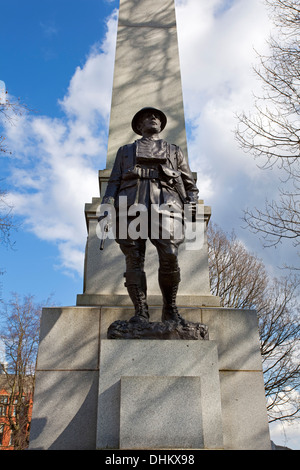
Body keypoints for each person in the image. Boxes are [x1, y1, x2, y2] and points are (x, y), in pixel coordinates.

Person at [100, 107, 198, 324]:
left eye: (156, 117)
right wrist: (106, 208)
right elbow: (114, 181)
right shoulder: (125, 151)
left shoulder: (174, 151)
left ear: (161, 125)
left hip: (167, 203)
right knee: (133, 259)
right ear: (139, 126)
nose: (153, 118)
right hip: (130, 202)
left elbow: (189, 183)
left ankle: (170, 308)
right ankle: (141, 311)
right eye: (147, 117)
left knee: (170, 254)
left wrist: (192, 204)